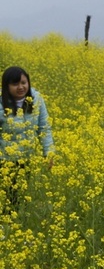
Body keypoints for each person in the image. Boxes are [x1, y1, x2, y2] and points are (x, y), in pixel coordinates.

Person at [1, 66, 55, 211]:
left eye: (24, 83)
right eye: (15, 84)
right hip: (5, 162)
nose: (21, 87)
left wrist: (48, 153)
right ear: (7, 86)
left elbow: (44, 127)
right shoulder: (1, 104)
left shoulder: (37, 99)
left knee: (22, 198)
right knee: (8, 201)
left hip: (27, 158)